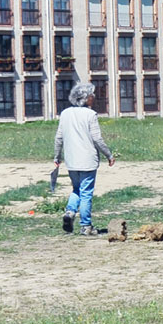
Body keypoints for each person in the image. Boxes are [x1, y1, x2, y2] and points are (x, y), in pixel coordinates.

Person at [53, 83, 115, 236]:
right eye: (91, 95)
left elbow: (59, 138)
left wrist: (57, 156)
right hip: (87, 160)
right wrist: (109, 155)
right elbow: (97, 139)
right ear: (86, 98)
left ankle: (70, 212)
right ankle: (86, 225)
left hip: (72, 160)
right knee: (86, 192)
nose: (93, 97)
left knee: (76, 189)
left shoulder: (65, 113)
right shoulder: (90, 115)